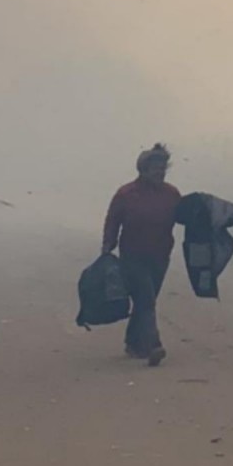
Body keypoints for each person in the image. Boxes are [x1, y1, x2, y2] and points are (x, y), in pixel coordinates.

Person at [102, 143, 181, 367]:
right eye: (155, 168)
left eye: (163, 168)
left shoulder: (171, 194)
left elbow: (185, 217)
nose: (160, 172)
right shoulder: (126, 194)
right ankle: (153, 345)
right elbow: (112, 221)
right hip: (133, 257)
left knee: (147, 300)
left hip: (160, 255)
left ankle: (133, 342)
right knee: (146, 298)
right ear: (143, 170)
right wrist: (107, 248)